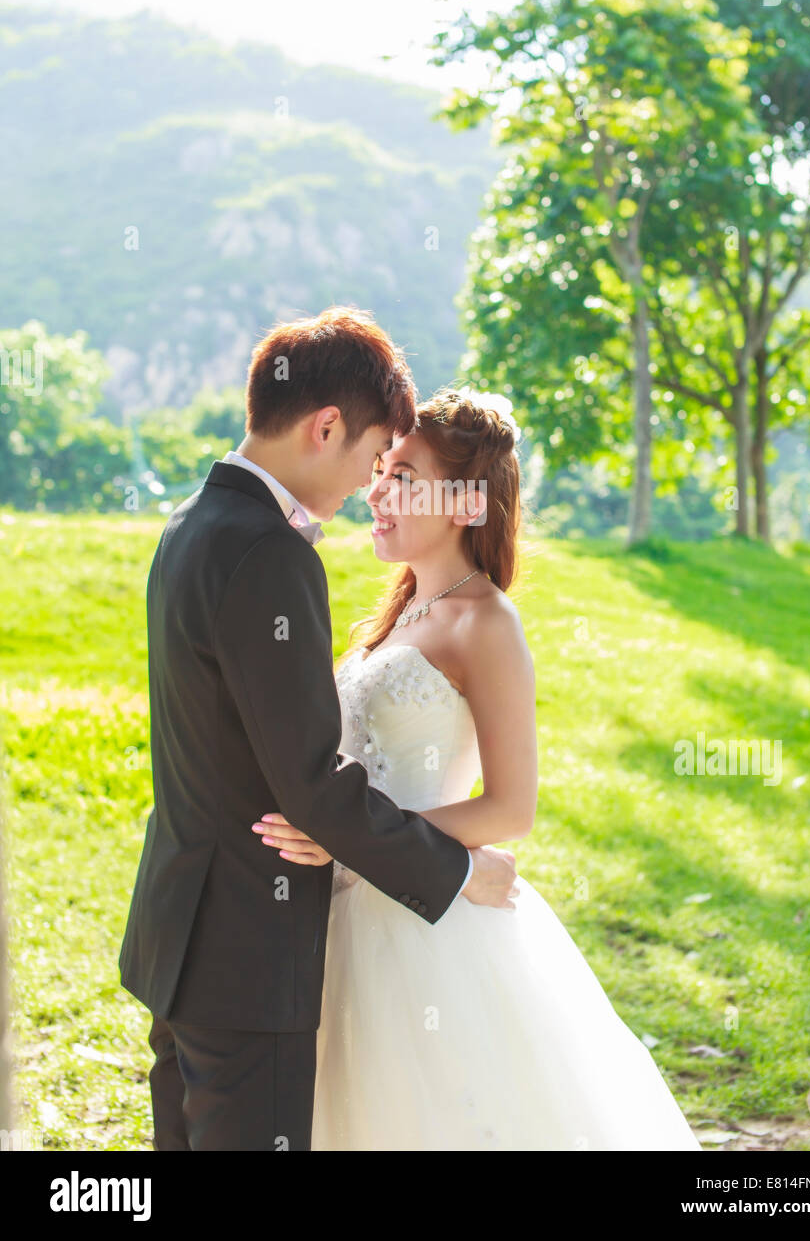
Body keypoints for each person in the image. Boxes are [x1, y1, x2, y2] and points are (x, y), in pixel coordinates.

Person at [255, 388, 703, 1150]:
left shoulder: (487, 622)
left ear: (465, 503)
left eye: (402, 476)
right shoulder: (395, 615)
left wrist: (353, 842)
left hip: (426, 924)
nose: (377, 492)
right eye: (381, 469)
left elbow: (509, 808)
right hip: (337, 915)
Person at [118, 308, 518, 1152]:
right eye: (376, 461)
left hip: (186, 934)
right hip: (248, 957)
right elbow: (307, 781)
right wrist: (455, 870)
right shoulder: (270, 554)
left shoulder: (191, 523)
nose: (370, 488)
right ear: (325, 425)